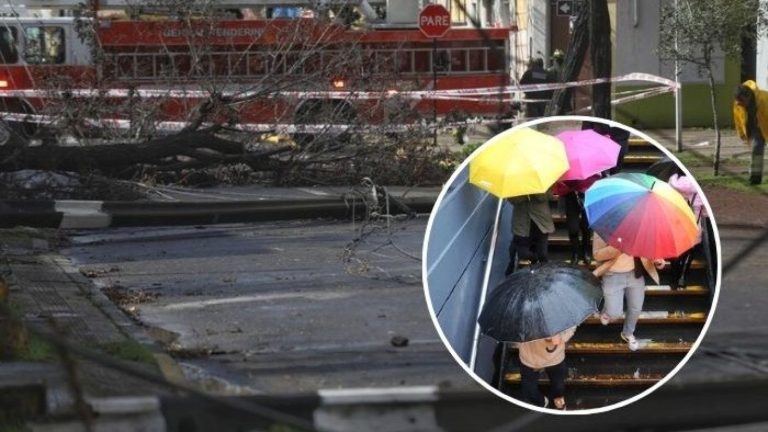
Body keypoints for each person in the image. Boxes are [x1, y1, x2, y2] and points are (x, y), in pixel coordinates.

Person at [593, 234, 665, 351]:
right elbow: (597, 255)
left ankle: (627, 333)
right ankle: (607, 310)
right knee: (614, 314)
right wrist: (620, 247)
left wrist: (659, 262)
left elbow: (655, 253)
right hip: (612, 274)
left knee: (636, 308)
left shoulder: (642, 228)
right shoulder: (603, 227)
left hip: (635, 274)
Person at [517, 326, 575, 410]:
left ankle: (557, 398)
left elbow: (572, 325)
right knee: (529, 391)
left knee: (558, 385)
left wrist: (562, 337)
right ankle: (542, 402)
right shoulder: (523, 315)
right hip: (530, 357)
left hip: (555, 357)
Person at [667, 173, 706, 290]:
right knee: (689, 253)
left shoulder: (671, 184)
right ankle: (682, 277)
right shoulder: (698, 189)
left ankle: (674, 277)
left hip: (675, 227)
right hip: (693, 229)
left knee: (674, 253)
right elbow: (705, 213)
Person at [553, 175, 599, 265]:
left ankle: (585, 252)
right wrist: (569, 186)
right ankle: (575, 254)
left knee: (586, 226)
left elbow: (596, 179)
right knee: (573, 228)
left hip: (587, 195)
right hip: (570, 197)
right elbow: (559, 188)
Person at [505, 193, 555, 275]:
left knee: (543, 254)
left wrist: (534, 192)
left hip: (541, 222)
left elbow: (548, 195)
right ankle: (534, 259)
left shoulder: (542, 181)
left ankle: (545, 277)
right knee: (523, 253)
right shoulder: (515, 184)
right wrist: (524, 194)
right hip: (522, 223)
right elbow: (512, 200)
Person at [733, 80, 768, 185]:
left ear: (748, 96)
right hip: (755, 127)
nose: (740, 104)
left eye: (742, 101)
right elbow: (738, 118)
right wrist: (741, 133)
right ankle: (755, 178)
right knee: (756, 149)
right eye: (738, 101)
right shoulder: (738, 103)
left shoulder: (764, 99)